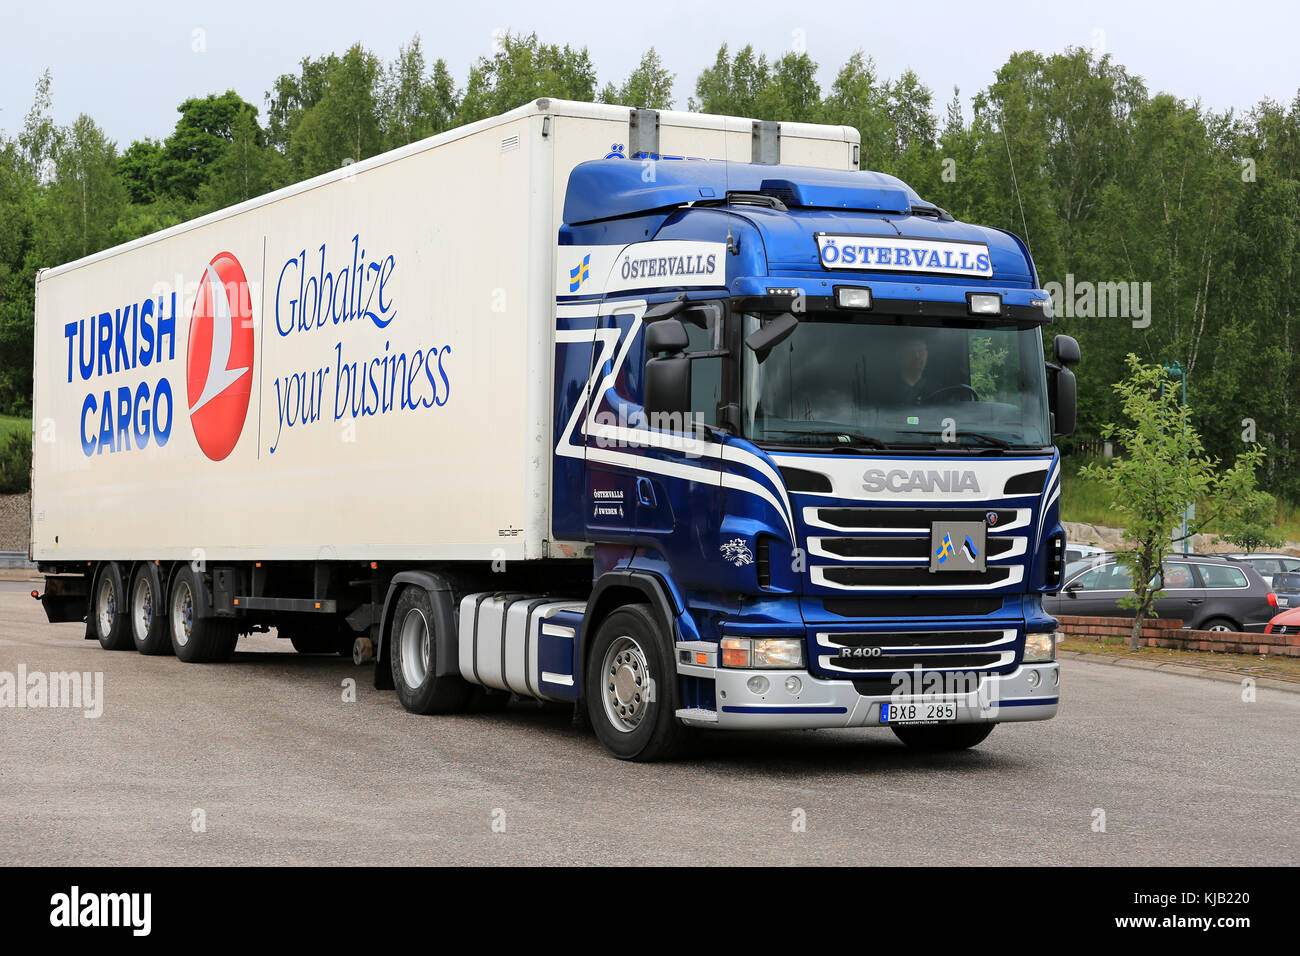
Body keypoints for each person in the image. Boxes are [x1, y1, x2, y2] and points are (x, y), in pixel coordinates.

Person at [892, 332, 931, 405]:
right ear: (900, 356)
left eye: (921, 351)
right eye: (910, 352)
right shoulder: (886, 391)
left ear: (927, 355)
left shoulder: (939, 391)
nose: (917, 356)